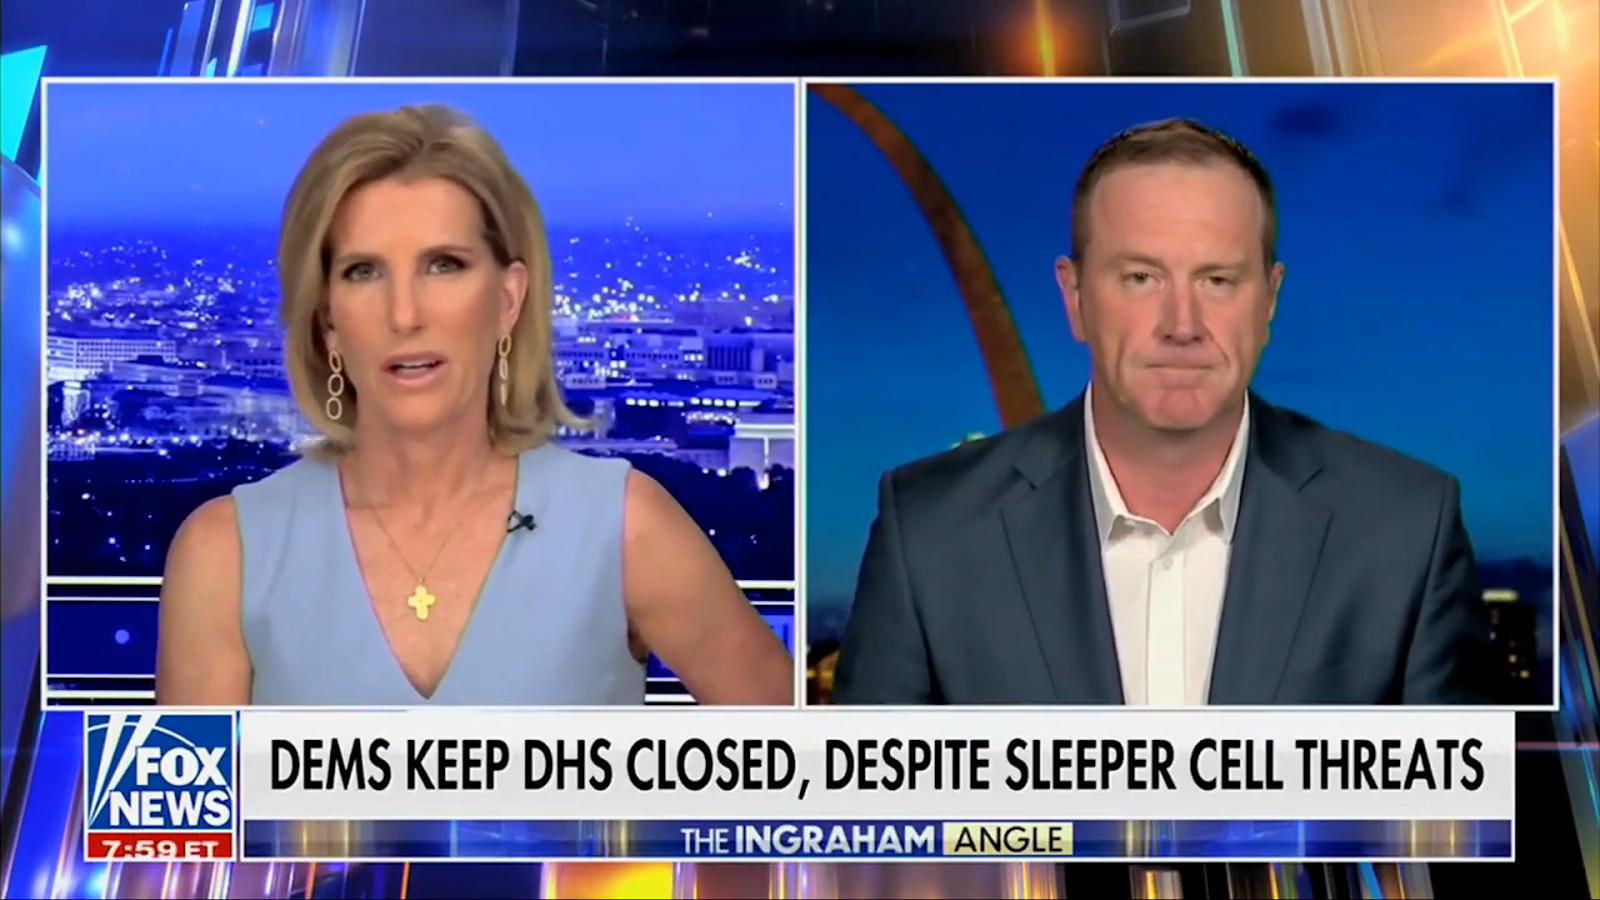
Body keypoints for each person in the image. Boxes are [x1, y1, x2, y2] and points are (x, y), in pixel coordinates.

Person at [832, 118, 1494, 706]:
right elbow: (869, 807)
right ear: (1074, 297)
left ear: (1269, 299)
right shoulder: (928, 531)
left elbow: (1460, 806)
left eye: (1217, 280)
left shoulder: (1406, 527)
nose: (1182, 325)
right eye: (1140, 278)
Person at [155, 104, 794, 706]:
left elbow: (811, 766)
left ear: (508, 300)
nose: (405, 314)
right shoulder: (226, 554)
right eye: (363, 272)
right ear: (328, 323)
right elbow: (185, 794)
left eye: (444, 265)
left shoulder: (625, 527)